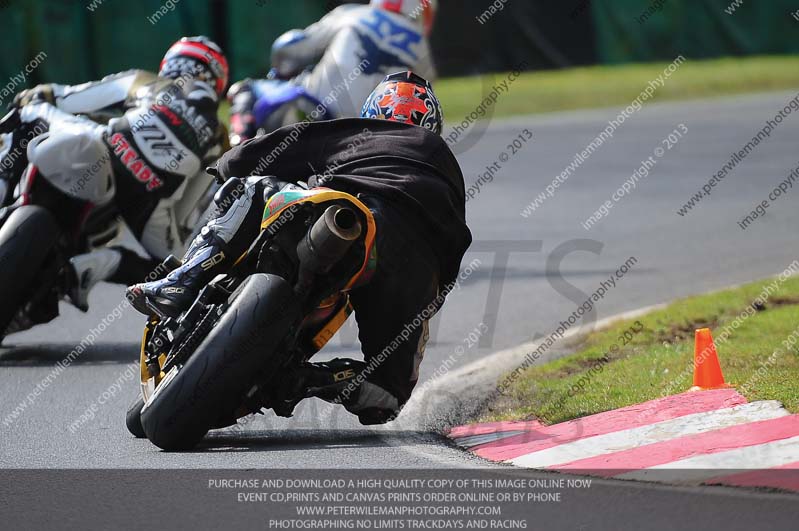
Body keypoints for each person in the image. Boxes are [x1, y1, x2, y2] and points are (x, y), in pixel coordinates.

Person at [128, 71, 471, 425]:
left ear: (375, 112)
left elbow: (293, 141)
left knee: (257, 187)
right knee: (387, 396)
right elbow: (452, 256)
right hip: (414, 275)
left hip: (353, 215)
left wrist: (230, 164)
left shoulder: (363, 131)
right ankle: (306, 380)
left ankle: (184, 277)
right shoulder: (447, 170)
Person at [2, 36, 229, 311]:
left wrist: (40, 95)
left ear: (171, 64)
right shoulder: (219, 136)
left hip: (104, 148)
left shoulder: (144, 80)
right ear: (218, 82)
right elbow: (185, 211)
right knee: (174, 270)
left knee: (30, 105)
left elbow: (65, 97)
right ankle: (103, 263)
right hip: (149, 202)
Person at [228, 0, 438, 144]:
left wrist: (282, 71)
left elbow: (290, 46)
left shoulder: (353, 14)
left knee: (245, 88)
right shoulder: (423, 51)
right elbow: (421, 108)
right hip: (367, 138)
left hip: (314, 106)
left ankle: (240, 144)